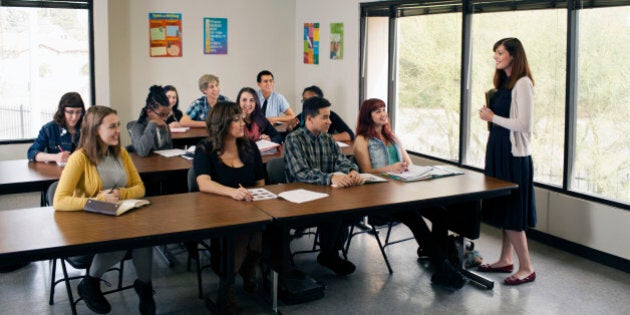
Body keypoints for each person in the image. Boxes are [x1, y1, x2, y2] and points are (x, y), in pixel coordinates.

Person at [53, 106, 155, 314]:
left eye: (118, 125)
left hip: (118, 216)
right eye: (112, 126)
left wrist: (119, 195)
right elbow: (59, 200)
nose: (118, 130)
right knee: (121, 241)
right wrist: (98, 200)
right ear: (94, 130)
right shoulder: (79, 158)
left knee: (145, 239)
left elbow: (139, 188)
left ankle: (145, 288)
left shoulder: (121, 153)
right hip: (90, 222)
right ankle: (90, 283)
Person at [353, 98, 464, 288]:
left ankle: (440, 261)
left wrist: (406, 168)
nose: (383, 113)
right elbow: (366, 171)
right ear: (367, 116)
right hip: (380, 198)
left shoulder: (393, 137)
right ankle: (443, 266)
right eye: (377, 111)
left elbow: (409, 163)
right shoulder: (361, 140)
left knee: (440, 213)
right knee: (414, 218)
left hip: (404, 191)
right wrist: (391, 168)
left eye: (384, 109)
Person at [193, 101, 264, 312]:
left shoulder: (249, 146)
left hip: (249, 206)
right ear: (222, 123)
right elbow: (203, 182)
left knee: (264, 229)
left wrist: (253, 197)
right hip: (218, 211)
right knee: (240, 235)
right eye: (237, 120)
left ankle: (247, 269)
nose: (243, 123)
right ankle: (227, 287)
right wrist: (232, 192)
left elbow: (260, 182)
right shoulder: (205, 148)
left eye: (242, 118)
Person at [477, 37, 536, 286]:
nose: (496, 57)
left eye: (500, 52)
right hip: (498, 153)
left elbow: (524, 125)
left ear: (513, 55)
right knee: (503, 211)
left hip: (513, 158)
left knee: (512, 213)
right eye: (495, 53)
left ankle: (526, 267)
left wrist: (493, 116)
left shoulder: (523, 84)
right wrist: (488, 116)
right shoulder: (504, 83)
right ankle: (505, 260)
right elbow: (501, 119)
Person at [284, 96, 364, 275]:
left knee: (352, 212)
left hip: (327, 196)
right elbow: (300, 173)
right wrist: (330, 178)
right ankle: (329, 254)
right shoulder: (293, 140)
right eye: (325, 117)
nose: (330, 121)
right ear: (310, 119)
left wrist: (351, 170)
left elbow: (341, 161)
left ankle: (329, 253)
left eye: (329, 117)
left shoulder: (328, 139)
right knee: (334, 213)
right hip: (300, 199)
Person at [27, 92, 86, 164]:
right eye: (70, 112)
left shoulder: (87, 128)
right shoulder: (49, 129)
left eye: (78, 112)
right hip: (56, 172)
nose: (74, 117)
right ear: (62, 111)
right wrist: (55, 157)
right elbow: (31, 153)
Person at [287, 85, 355, 141]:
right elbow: (292, 138)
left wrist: (326, 138)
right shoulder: (300, 117)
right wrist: (290, 128)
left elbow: (350, 135)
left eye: (311, 100)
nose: (307, 103)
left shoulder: (330, 116)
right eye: (304, 100)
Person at [129, 85, 173, 157]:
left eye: (167, 115)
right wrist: (152, 124)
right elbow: (142, 152)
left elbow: (168, 149)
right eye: (161, 115)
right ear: (149, 112)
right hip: (146, 167)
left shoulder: (163, 125)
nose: (165, 119)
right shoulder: (137, 127)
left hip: (163, 164)